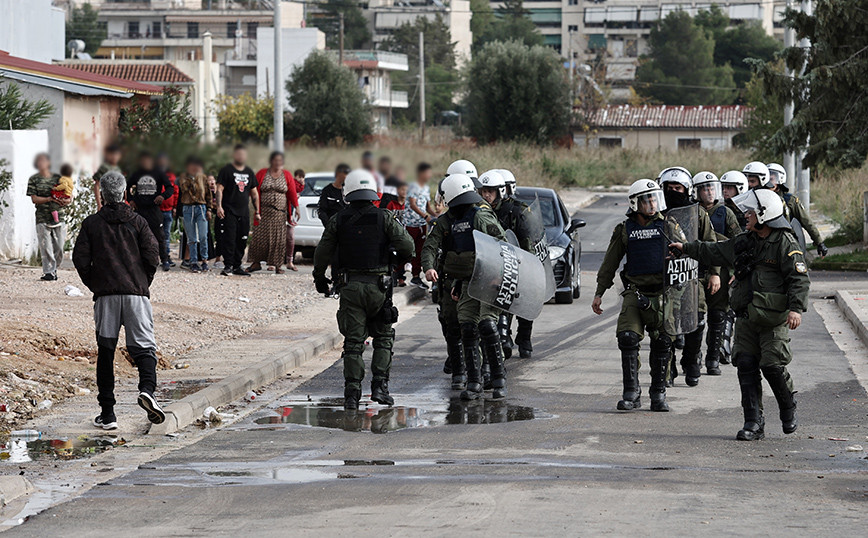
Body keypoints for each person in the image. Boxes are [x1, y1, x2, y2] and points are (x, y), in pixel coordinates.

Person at [670, 188, 810, 441]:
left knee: (772, 366)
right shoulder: (745, 241)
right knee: (745, 365)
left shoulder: (784, 243)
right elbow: (715, 250)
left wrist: (796, 309)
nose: (746, 215)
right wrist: (686, 248)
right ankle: (753, 423)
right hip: (746, 317)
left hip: (772, 320)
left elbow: (799, 278)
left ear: (764, 214)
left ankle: (788, 407)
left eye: (751, 212)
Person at [71, 171, 166, 430]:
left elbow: (80, 259)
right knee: (145, 348)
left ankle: (108, 414)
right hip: (136, 293)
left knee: (106, 352)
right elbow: (152, 255)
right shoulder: (138, 222)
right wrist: (143, 282)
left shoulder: (92, 223)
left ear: (102, 194)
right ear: (125, 193)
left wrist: (95, 283)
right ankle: (147, 390)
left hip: (106, 296)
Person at [312, 169, 414, 410]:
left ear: (348, 191)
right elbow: (407, 245)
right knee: (383, 337)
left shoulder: (338, 220)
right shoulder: (384, 217)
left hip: (350, 287)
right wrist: (396, 263)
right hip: (380, 288)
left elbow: (323, 251)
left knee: (354, 342)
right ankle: (380, 387)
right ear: (371, 192)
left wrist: (319, 278)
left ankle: (351, 395)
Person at [592, 179, 685, 412]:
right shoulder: (624, 230)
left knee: (663, 342)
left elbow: (688, 254)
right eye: (646, 200)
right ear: (635, 203)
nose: (652, 204)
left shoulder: (669, 226)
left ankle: (658, 393)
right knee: (627, 337)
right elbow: (609, 262)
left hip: (664, 293)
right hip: (636, 292)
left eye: (654, 198)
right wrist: (599, 293)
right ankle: (631, 392)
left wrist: (679, 263)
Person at [422, 173, 508, 401]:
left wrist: (498, 276)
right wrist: (429, 268)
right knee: (467, 328)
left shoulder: (480, 217)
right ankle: (474, 382)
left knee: (488, 327)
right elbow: (430, 246)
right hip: (466, 282)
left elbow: (503, 246)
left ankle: (499, 380)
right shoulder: (445, 222)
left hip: (488, 281)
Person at [659, 167, 720, 387]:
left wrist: (714, 273)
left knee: (697, 320)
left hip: (693, 276)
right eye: (669, 188)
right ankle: (668, 367)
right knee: (666, 324)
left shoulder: (698, 213)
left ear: (687, 189)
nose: (674, 191)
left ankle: (692, 361)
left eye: (678, 188)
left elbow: (711, 244)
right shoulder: (657, 211)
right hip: (665, 279)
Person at [478, 169, 536, 360]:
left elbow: (527, 240)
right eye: (483, 191)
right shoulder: (480, 213)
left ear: (500, 192)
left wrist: (527, 265)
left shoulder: (516, 211)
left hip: (519, 262)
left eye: (490, 191)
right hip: (493, 266)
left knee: (525, 302)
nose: (486, 195)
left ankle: (524, 338)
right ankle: (504, 337)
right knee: (500, 303)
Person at [692, 171, 741, 375]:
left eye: (711, 187)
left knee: (718, 315)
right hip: (694, 270)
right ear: (696, 191)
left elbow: (738, 242)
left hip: (720, 272)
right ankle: (694, 357)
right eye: (704, 188)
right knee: (696, 316)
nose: (708, 192)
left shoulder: (725, 213)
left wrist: (736, 271)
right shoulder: (690, 212)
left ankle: (713, 358)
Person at [247, 151, 298, 275]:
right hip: (263, 212)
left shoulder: (286, 174)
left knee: (278, 240)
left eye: (280, 160)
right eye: (275, 160)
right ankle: (256, 263)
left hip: (279, 214)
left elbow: (292, 192)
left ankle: (277, 265)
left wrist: (297, 207)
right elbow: (254, 191)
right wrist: (257, 210)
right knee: (259, 239)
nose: (278, 163)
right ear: (271, 161)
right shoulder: (262, 173)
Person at [215, 144, 260, 277]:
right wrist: (219, 206)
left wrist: (257, 211)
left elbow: (254, 193)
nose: (241, 156)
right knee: (229, 238)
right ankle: (228, 265)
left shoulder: (249, 172)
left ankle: (237, 265)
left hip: (243, 211)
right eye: (238, 154)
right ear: (234, 155)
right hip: (229, 210)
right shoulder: (226, 170)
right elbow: (219, 189)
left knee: (242, 238)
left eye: (243, 154)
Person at [766, 162, 827, 257]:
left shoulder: (790, 200)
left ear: (780, 179)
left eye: (771, 178)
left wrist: (819, 242)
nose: (768, 182)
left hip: (784, 244)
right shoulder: (758, 198)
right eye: (766, 178)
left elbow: (806, 221)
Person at [28, 153, 70, 281]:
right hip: (42, 217)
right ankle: (49, 272)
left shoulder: (58, 178)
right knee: (46, 247)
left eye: (44, 160)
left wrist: (67, 200)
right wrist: (49, 199)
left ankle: (54, 267)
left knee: (59, 246)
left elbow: (68, 193)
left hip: (59, 217)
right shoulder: (33, 179)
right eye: (39, 161)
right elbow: (34, 199)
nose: (41, 163)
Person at [127, 152, 171, 271]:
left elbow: (170, 187)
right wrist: (130, 200)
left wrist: (163, 196)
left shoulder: (159, 172)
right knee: (136, 235)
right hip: (139, 209)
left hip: (154, 209)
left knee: (160, 236)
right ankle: (137, 260)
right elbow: (127, 186)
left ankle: (165, 260)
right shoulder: (136, 173)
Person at [176, 156, 212, 273]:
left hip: (201, 207)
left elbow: (208, 194)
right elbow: (185, 188)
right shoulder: (183, 177)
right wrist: (191, 178)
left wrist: (209, 209)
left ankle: (205, 260)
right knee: (191, 238)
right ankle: (193, 261)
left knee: (203, 236)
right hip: (188, 207)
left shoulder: (203, 177)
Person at [405, 162, 435, 288]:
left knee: (420, 250)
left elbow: (427, 206)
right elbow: (413, 204)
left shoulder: (426, 188)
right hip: (411, 224)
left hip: (422, 224)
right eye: (427, 172)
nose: (429, 175)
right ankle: (401, 274)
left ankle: (416, 276)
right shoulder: (413, 186)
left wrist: (435, 216)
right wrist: (425, 216)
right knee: (409, 250)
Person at [157, 153, 179, 267]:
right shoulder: (155, 174)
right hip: (157, 210)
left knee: (166, 234)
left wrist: (175, 207)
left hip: (169, 209)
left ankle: (167, 256)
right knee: (156, 234)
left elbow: (175, 191)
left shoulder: (172, 176)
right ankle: (156, 256)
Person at [93, 144, 122, 212]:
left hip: (117, 202)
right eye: (113, 154)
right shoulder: (104, 168)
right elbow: (96, 185)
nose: (114, 157)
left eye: (117, 154)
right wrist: (99, 204)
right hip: (106, 201)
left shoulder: (118, 169)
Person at [288, 169, 306, 270]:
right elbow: (295, 191)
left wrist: (302, 184)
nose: (301, 179)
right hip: (291, 202)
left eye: (302, 178)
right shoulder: (293, 183)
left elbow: (299, 190)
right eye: (300, 177)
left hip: (294, 202)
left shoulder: (297, 183)